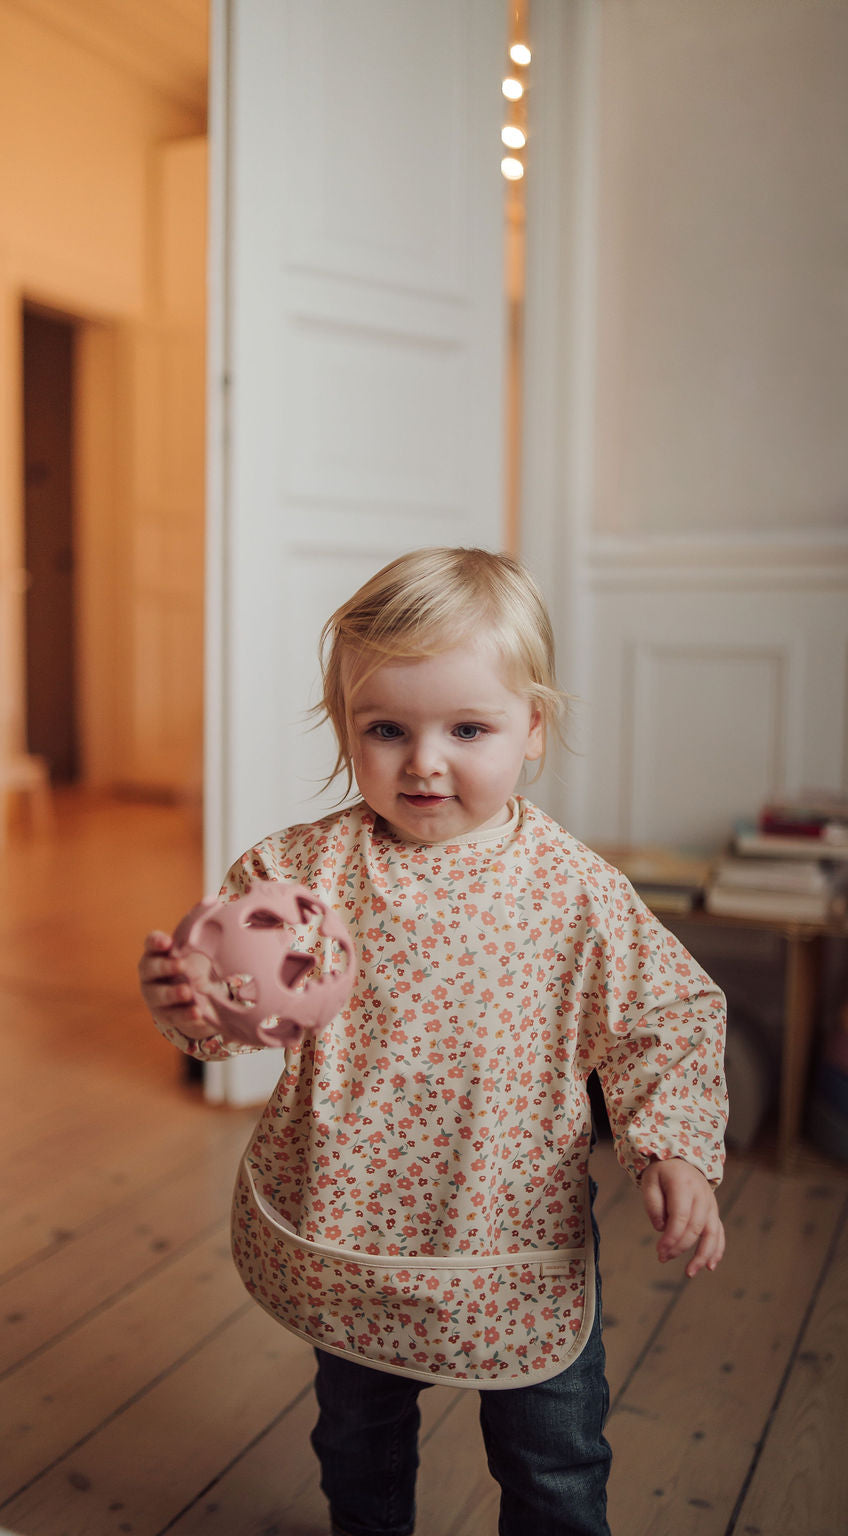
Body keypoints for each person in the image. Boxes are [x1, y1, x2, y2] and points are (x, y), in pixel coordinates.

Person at [138, 547, 727, 1536]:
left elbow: (660, 1017)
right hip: (352, 1235)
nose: (423, 760)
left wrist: (673, 1150)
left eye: (467, 728)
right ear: (346, 731)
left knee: (554, 1463)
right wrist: (191, 1005)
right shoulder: (302, 873)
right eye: (387, 729)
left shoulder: (574, 891)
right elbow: (232, 1004)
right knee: (357, 1446)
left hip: (511, 1242)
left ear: (532, 728)